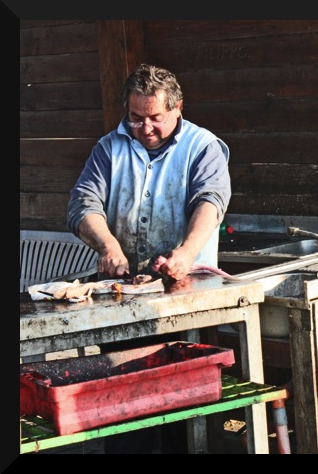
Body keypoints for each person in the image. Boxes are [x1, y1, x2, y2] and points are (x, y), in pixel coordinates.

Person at [67, 63, 232, 453]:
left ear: (177, 108)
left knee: (183, 408)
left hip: (186, 295)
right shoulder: (109, 148)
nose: (145, 128)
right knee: (123, 406)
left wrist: (186, 254)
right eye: (136, 118)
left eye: (155, 118)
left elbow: (211, 201)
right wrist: (108, 245)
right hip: (124, 296)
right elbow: (82, 204)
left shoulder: (203, 146)